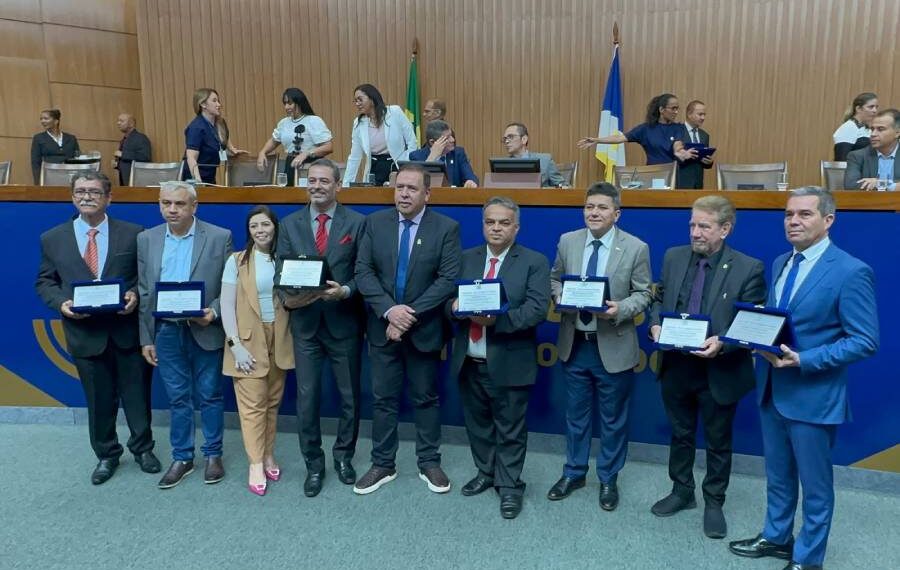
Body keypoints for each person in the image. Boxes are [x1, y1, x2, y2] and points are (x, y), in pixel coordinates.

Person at [729, 187, 879, 570]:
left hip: (814, 395)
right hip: (771, 389)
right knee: (778, 474)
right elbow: (780, 320)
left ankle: (808, 559)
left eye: (804, 214)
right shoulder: (781, 262)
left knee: (815, 486)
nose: (793, 221)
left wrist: (805, 359)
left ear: (828, 220)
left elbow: (865, 340)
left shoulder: (851, 271)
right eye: (788, 214)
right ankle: (777, 537)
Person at [648, 195, 766, 538]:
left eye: (704, 226)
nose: (695, 233)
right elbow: (659, 297)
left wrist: (723, 342)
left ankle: (714, 502)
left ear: (725, 229)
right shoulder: (673, 257)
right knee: (680, 433)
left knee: (718, 440)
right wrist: (654, 324)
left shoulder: (749, 267)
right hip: (676, 365)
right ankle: (682, 490)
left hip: (719, 369)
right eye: (692, 225)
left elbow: (751, 323)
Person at [35, 172, 158, 484]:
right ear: (72, 196)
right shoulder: (53, 238)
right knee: (98, 399)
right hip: (84, 335)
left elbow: (144, 277)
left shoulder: (133, 233)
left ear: (109, 198)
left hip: (126, 331)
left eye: (93, 191)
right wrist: (61, 303)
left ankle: (143, 449)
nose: (86, 197)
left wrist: (134, 294)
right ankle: (106, 454)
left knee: (137, 395)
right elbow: (45, 282)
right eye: (80, 191)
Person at [353, 163, 461, 494]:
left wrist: (405, 317)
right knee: (383, 399)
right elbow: (363, 272)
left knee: (425, 399)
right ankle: (383, 463)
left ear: (427, 194)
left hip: (423, 330)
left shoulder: (446, 228)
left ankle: (429, 462)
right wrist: (390, 311)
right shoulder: (375, 223)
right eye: (399, 187)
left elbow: (447, 279)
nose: (403, 194)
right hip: (382, 328)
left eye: (412, 188)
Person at [546, 182, 652, 511]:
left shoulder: (636, 248)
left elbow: (644, 293)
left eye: (602, 208)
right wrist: (559, 296)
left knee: (613, 419)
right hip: (576, 344)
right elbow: (554, 278)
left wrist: (620, 309)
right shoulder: (568, 241)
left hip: (613, 345)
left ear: (616, 214)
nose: (594, 213)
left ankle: (608, 477)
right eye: (589, 206)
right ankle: (574, 472)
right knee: (576, 416)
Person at [446, 196, 550, 519]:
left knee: (510, 429)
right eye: (490, 222)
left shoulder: (534, 261)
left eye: (504, 223)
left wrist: (496, 322)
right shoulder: (466, 258)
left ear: (516, 227)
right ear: (483, 225)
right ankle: (486, 472)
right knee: (477, 425)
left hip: (509, 359)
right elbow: (448, 299)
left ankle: (510, 486)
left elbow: (536, 309)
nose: (496, 228)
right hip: (469, 359)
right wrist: (453, 307)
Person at [277, 159, 366, 497]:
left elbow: (364, 272)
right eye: (311, 180)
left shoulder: (357, 223)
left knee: (349, 397)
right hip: (306, 325)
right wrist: (289, 299)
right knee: (307, 398)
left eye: (323, 181)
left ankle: (344, 457)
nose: (316, 186)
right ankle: (313, 464)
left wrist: (346, 291)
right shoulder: (289, 224)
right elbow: (280, 271)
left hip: (343, 322)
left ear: (337, 185)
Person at [137, 181, 233, 488]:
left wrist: (214, 312)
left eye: (179, 204)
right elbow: (144, 291)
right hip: (166, 331)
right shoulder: (147, 239)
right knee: (178, 397)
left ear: (194, 206)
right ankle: (182, 457)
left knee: (210, 394)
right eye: (165, 203)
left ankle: (213, 454)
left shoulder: (219, 237)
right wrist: (146, 338)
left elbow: (230, 287)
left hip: (204, 328)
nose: (172, 209)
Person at [220, 205, 294, 496]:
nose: (260, 230)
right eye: (254, 226)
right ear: (248, 231)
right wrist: (235, 344)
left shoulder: (284, 258)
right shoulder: (236, 261)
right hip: (247, 341)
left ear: (275, 227)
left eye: (265, 224)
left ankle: (268, 455)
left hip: (279, 338)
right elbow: (226, 304)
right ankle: (255, 463)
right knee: (252, 407)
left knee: (272, 403)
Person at [578, 93, 696, 172]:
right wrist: (597, 140)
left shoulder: (679, 128)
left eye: (677, 109)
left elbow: (677, 145)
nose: (676, 112)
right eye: (673, 108)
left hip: (673, 174)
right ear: (661, 109)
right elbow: (620, 138)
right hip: (652, 174)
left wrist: (680, 152)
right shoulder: (645, 129)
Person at [342, 83, 417, 187]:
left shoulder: (394, 112)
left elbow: (412, 141)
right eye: (355, 101)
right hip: (374, 168)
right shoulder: (358, 123)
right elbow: (354, 157)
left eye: (360, 99)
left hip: (396, 165)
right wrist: (346, 185)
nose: (357, 103)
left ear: (372, 98)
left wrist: (407, 163)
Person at [256, 87, 333, 186]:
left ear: (299, 102)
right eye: (285, 103)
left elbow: (328, 147)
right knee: (290, 193)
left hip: (311, 165)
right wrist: (262, 152)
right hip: (291, 164)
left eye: (290, 103)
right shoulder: (284, 123)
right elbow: (274, 141)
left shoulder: (314, 120)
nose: (286, 107)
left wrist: (306, 154)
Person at [182, 88, 245, 184]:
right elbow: (191, 157)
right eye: (214, 101)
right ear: (203, 104)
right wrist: (198, 182)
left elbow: (224, 137)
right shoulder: (196, 128)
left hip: (210, 177)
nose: (219, 104)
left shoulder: (220, 123)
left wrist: (232, 149)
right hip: (194, 179)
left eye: (218, 101)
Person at [409, 119, 479, 187]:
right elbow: (417, 184)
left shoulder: (458, 154)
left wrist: (471, 181)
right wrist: (432, 158)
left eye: (451, 135)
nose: (453, 140)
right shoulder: (416, 156)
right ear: (432, 142)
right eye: (447, 138)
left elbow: (470, 176)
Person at [843, 108, 900, 190]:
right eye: (872, 129)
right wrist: (894, 186)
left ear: (897, 133)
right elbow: (850, 185)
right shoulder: (857, 156)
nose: (873, 134)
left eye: (880, 129)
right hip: (869, 198)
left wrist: (880, 183)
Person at [502, 122, 566, 187]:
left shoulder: (545, 161)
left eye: (511, 137)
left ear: (524, 139)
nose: (506, 141)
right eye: (505, 139)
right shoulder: (503, 164)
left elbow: (564, 186)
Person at [30, 109, 81, 184]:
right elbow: (35, 163)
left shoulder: (71, 138)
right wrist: (38, 183)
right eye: (41, 119)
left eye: (46, 118)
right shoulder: (38, 138)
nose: (42, 121)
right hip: (50, 177)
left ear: (56, 121)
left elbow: (78, 159)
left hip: (70, 176)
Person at [676, 100, 714, 189]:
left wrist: (709, 162)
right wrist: (684, 156)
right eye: (700, 114)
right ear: (689, 114)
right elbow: (669, 157)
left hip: (698, 185)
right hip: (680, 183)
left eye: (704, 114)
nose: (703, 117)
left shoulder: (704, 135)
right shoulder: (676, 131)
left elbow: (703, 161)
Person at [833, 92, 878, 161]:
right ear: (858, 109)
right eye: (871, 107)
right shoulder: (848, 128)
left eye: (876, 107)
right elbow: (842, 159)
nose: (875, 110)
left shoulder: (867, 129)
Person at [113, 113, 152, 186]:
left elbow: (145, 157)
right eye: (118, 121)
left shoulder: (141, 138)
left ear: (131, 124)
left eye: (122, 121)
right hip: (125, 179)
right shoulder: (124, 139)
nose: (118, 123)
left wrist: (123, 154)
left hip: (137, 181)